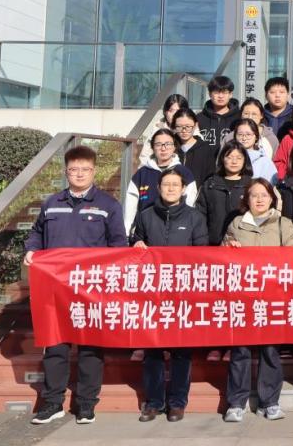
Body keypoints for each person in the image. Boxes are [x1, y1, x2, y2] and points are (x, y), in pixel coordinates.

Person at [27, 146, 126, 426]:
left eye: (85, 169)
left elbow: (118, 244)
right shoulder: (51, 203)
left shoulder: (108, 205)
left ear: (94, 171)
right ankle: (52, 403)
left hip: (90, 289)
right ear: (66, 171)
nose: (79, 174)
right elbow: (36, 233)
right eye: (74, 169)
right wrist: (32, 250)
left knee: (90, 348)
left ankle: (86, 404)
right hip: (54, 289)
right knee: (55, 346)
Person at [129, 167, 208, 423]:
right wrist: (137, 245)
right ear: (158, 188)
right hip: (152, 293)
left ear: (184, 189)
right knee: (152, 350)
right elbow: (135, 244)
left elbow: (202, 253)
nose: (171, 188)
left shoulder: (195, 217)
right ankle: (153, 402)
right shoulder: (145, 215)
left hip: (183, 293)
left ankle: (177, 403)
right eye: (166, 184)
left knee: (181, 351)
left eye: (176, 184)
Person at [222, 178, 293, 423]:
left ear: (272, 199)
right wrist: (228, 247)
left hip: (272, 297)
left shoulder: (283, 224)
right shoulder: (237, 223)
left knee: (270, 351)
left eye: (264, 195)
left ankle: (270, 402)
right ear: (247, 199)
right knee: (240, 351)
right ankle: (236, 403)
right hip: (243, 298)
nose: (259, 199)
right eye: (254, 195)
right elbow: (222, 256)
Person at [123, 128, 198, 234]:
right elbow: (130, 205)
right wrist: (126, 231)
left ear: (174, 147)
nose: (163, 148)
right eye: (158, 144)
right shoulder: (142, 173)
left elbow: (190, 203)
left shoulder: (184, 173)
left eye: (168, 144)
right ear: (153, 147)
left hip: (176, 230)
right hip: (145, 230)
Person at [197, 142, 254, 246]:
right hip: (213, 242)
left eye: (239, 158)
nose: (234, 161)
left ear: (245, 160)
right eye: (229, 157)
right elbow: (200, 215)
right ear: (222, 159)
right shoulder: (210, 184)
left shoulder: (251, 185)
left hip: (243, 243)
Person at [139, 93, 190, 166]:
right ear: (165, 112)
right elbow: (145, 156)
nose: (174, 114)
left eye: (178, 111)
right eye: (171, 110)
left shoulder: (192, 127)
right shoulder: (158, 128)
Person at [173, 107, 216, 185]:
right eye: (179, 126)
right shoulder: (170, 147)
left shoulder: (205, 149)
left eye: (188, 126)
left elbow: (210, 177)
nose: (184, 130)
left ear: (195, 125)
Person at [230, 118, 278, 183]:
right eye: (240, 134)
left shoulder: (264, 161)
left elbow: (271, 184)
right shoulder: (228, 157)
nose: (244, 138)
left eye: (248, 134)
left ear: (256, 136)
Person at [198, 75, 240, 149]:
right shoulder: (199, 118)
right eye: (216, 92)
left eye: (224, 92)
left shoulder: (239, 117)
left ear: (230, 94)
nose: (220, 96)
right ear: (210, 94)